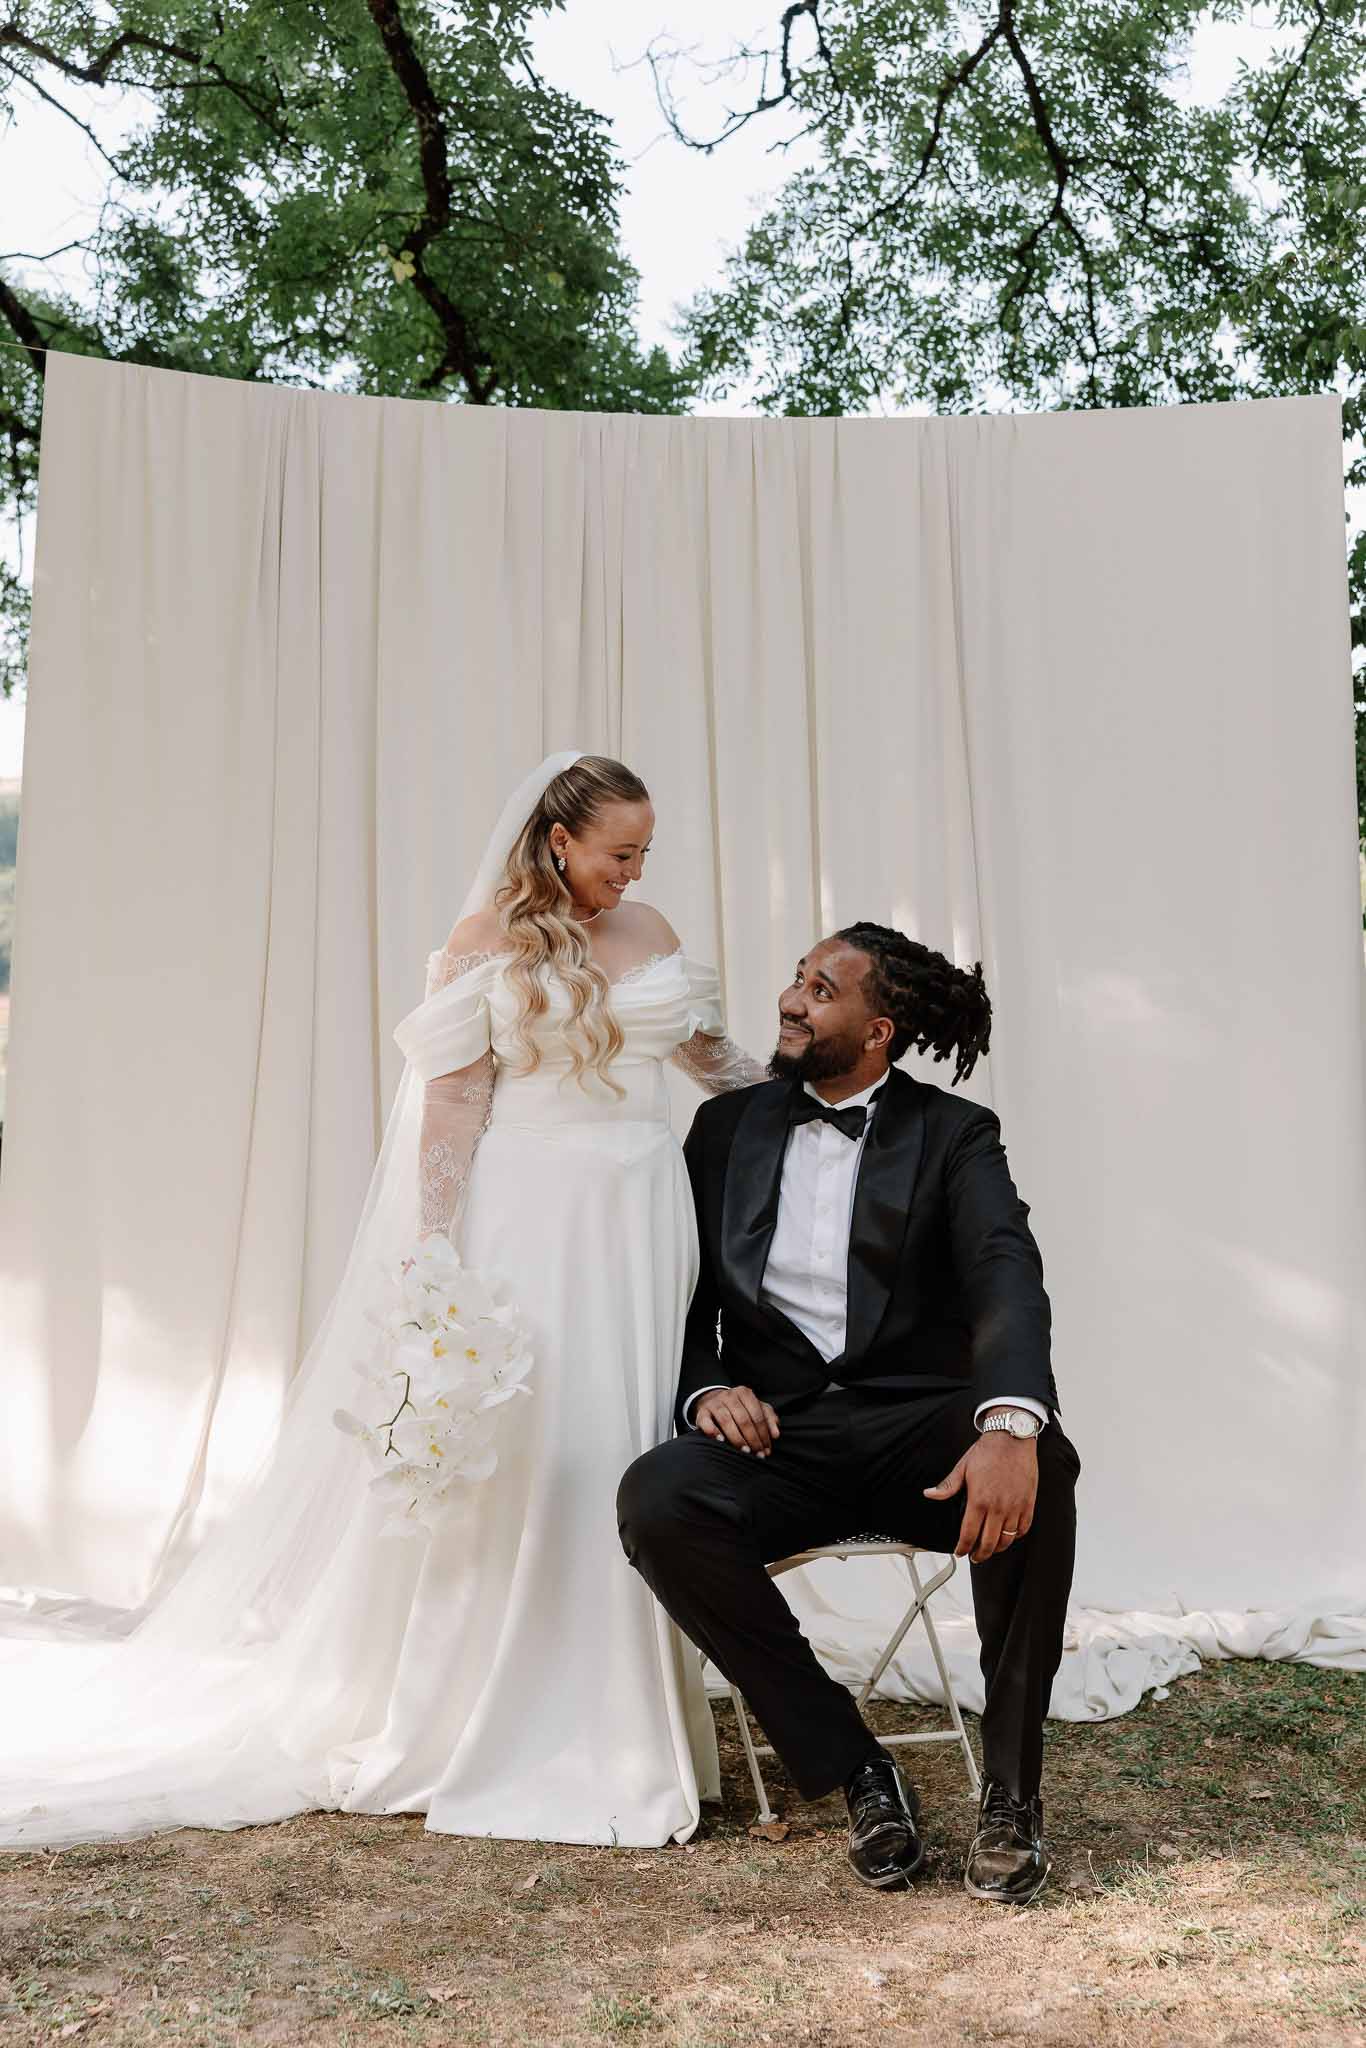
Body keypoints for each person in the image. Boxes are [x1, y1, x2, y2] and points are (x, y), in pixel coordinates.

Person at [0, 751, 765, 1850]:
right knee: (546, 1442)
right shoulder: (483, 947)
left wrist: (820, 1104)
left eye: (644, 851)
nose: (634, 871)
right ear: (560, 840)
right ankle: (496, 1706)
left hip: (645, 1222)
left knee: (623, 1440)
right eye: (618, 852)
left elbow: (708, 1057)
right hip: (532, 1221)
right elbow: (451, 1107)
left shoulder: (651, 934)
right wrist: (436, 1260)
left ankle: (628, 1701)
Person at [616, 924, 1080, 1903]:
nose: (789, 999)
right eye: (793, 977)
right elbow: (680, 1293)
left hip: (920, 1433)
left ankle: (1011, 1791)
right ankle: (854, 1767)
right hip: (781, 1438)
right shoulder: (724, 1128)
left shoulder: (953, 1132)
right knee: (658, 1496)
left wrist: (1009, 1424)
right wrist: (707, 1386)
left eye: (818, 988)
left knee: (1045, 1460)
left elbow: (1006, 1274)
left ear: (876, 1029)